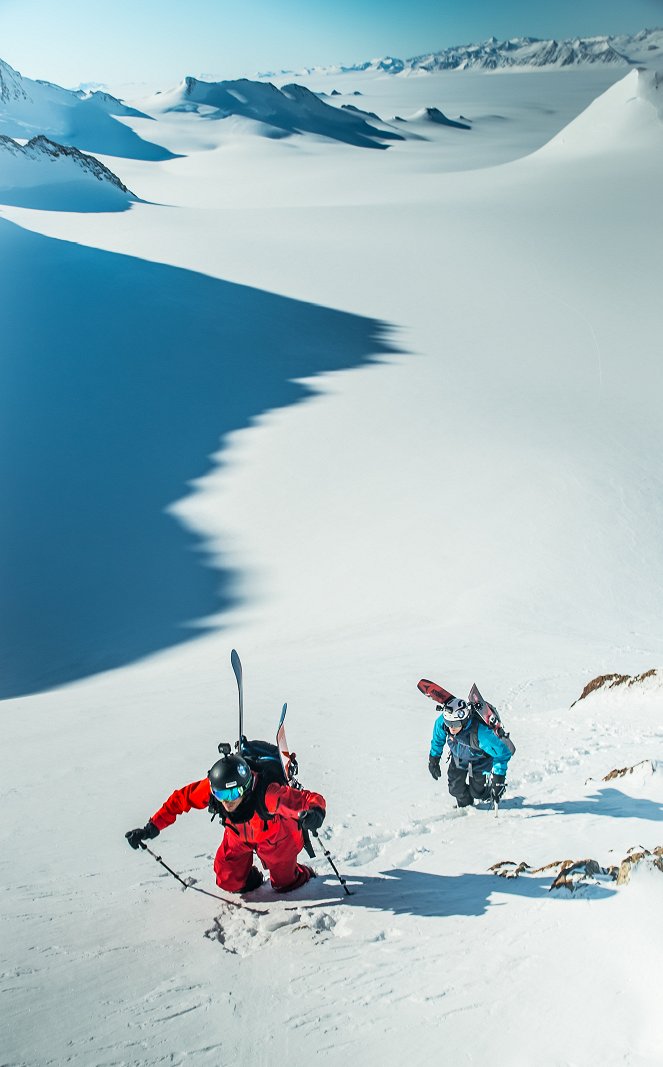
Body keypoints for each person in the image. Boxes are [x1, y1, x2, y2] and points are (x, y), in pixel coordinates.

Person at [125, 752, 326, 894]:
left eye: (233, 793)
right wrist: (150, 828)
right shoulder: (215, 790)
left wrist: (315, 812)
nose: (227, 800)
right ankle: (251, 878)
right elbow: (181, 799)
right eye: (221, 793)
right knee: (228, 880)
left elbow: (307, 799)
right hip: (238, 837)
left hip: (277, 838)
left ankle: (303, 873)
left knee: (285, 884)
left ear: (246, 786)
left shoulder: (269, 794)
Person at [427, 697, 513, 807]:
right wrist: (434, 759)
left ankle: (489, 794)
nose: (451, 728)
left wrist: (499, 779)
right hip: (459, 758)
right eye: (449, 723)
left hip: (480, 761)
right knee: (455, 789)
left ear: (463, 720)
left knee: (478, 792)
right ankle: (466, 807)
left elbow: (502, 753)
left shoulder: (481, 733)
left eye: (455, 724)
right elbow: (437, 739)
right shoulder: (444, 723)